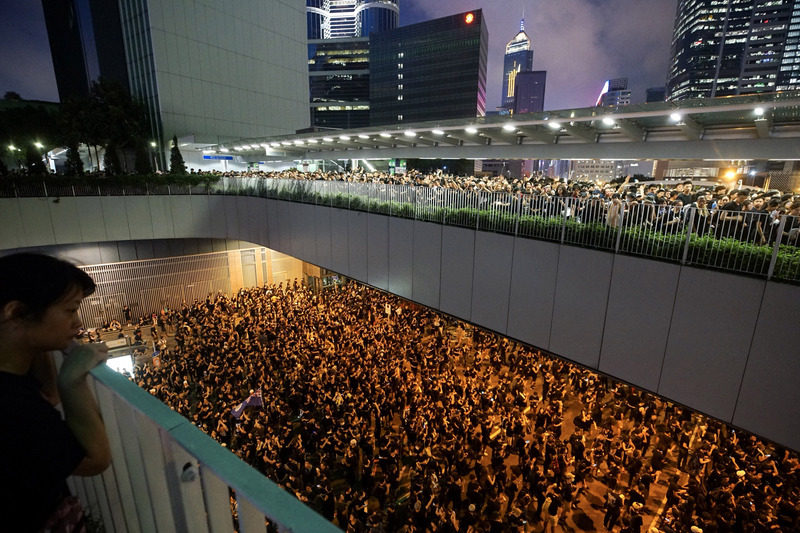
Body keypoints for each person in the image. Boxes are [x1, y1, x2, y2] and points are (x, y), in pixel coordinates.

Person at [0, 253, 112, 532]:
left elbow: (46, 395)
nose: (77, 323)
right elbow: (94, 458)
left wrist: (36, 343)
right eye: (70, 310)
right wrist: (72, 381)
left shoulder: (15, 376)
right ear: (15, 312)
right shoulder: (11, 406)